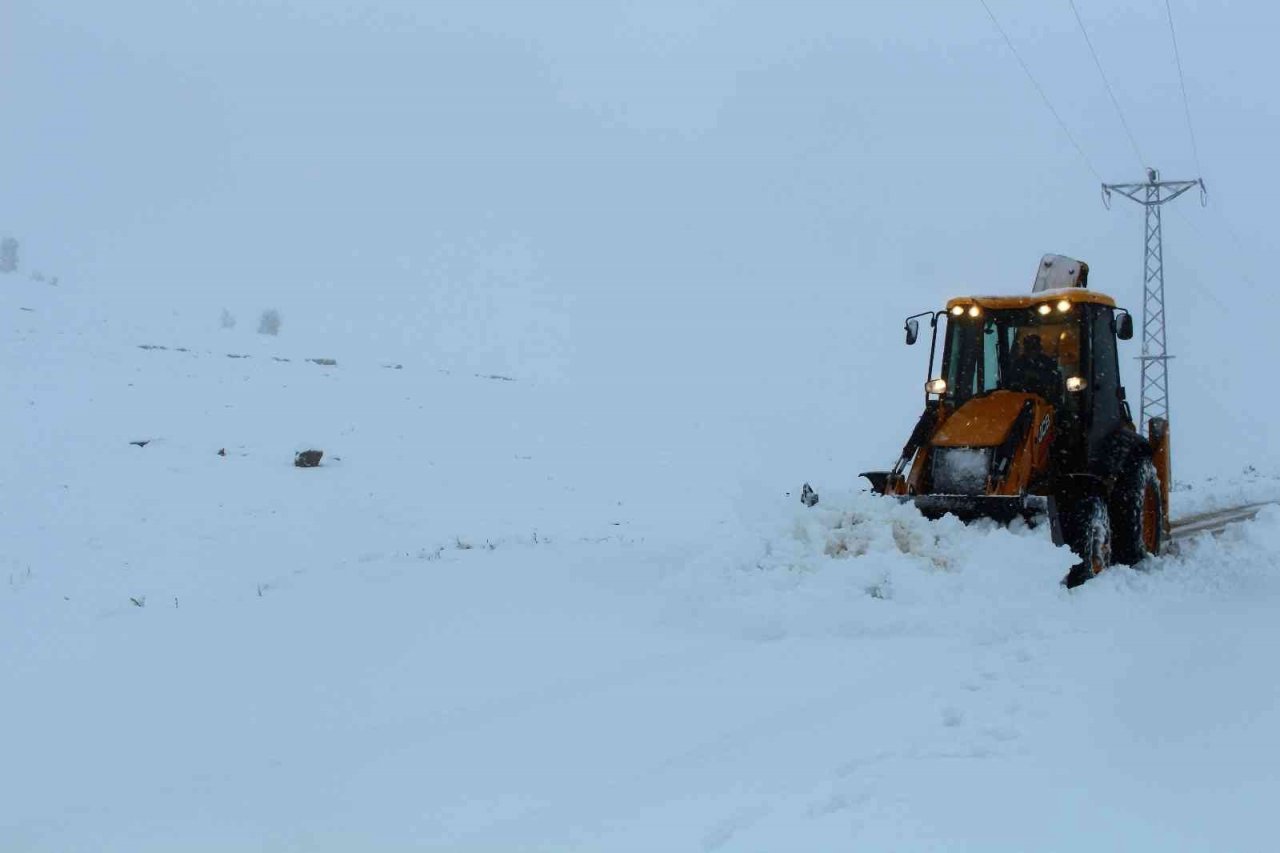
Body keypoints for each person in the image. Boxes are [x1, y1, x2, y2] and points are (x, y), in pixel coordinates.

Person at [1007, 334, 1062, 400]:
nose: (1032, 350)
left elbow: (1055, 380)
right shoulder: (1018, 363)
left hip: (1045, 400)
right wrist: (1024, 378)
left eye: (1034, 347)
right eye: (1028, 348)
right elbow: (1012, 382)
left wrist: (1038, 376)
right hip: (1021, 399)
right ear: (1025, 348)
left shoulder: (1048, 362)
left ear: (1039, 348)